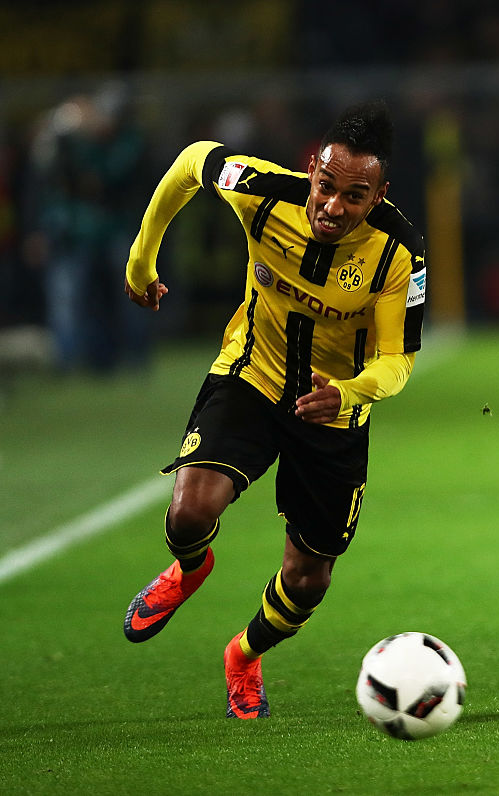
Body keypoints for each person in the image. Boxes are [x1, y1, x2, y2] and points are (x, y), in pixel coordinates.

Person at [122, 100, 426, 719]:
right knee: (188, 514)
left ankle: (243, 654)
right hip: (252, 377)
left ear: (379, 196)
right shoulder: (263, 191)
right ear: (311, 169)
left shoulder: (401, 252)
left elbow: (398, 360)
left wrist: (348, 392)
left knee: (308, 579)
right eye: (326, 186)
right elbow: (191, 163)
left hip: (333, 413)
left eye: (355, 197)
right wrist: (141, 258)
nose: (332, 207)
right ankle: (189, 568)